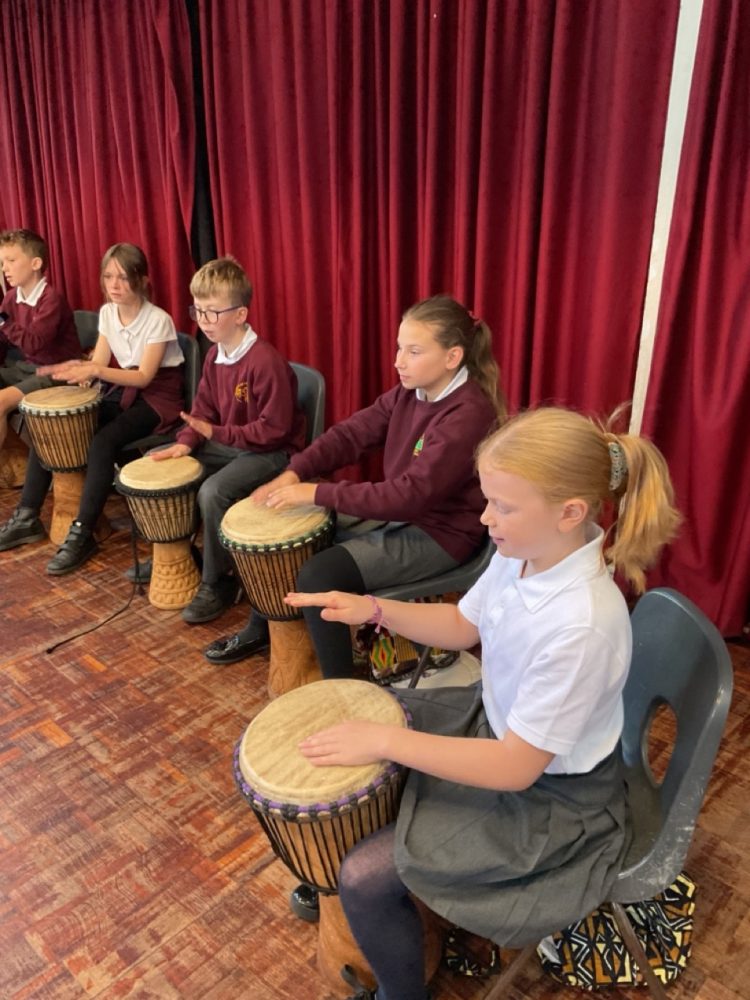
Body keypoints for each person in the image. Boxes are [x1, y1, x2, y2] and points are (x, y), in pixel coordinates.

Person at [285, 405, 682, 1000]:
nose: (485, 517)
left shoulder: (581, 626)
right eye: (488, 499)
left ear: (570, 513)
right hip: (498, 730)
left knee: (364, 876)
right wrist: (373, 609)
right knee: (365, 716)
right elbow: (462, 624)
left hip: (551, 800)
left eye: (503, 505)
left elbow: (516, 769)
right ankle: (387, 893)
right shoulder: (522, 551)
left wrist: (390, 741)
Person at [204, 294, 504, 669]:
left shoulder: (467, 414)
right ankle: (260, 628)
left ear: (452, 357)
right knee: (288, 534)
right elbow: (352, 434)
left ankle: (340, 685)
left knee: (318, 574)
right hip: (404, 514)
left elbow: (408, 496)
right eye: (399, 348)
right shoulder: (410, 392)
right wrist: (295, 471)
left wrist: (317, 493)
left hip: (440, 535)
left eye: (413, 351)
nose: (398, 361)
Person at [0, 243, 185, 572]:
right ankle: (28, 515)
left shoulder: (159, 320)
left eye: (123, 277)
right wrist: (80, 373)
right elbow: (99, 360)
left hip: (158, 399)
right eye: (108, 276)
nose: (114, 285)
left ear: (141, 280)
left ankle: (82, 532)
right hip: (122, 389)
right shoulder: (108, 313)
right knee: (53, 426)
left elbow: (143, 376)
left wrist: (96, 370)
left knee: (102, 441)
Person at [150, 257, 306, 623]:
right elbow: (203, 410)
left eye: (212, 312)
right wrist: (187, 442)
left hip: (273, 452)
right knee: (164, 462)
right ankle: (178, 553)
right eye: (198, 311)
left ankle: (219, 581)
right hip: (234, 445)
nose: (203, 321)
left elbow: (274, 431)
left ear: (240, 315)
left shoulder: (264, 362)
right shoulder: (214, 355)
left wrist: (215, 434)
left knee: (212, 491)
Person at [0, 228, 80, 450]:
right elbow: (4, 339)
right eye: (2, 262)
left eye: (11, 261)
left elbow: (33, 343)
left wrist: (1, 320)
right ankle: (15, 461)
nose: (4, 268)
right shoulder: (11, 298)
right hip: (28, 368)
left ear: (35, 264)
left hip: (58, 373)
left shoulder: (51, 299)